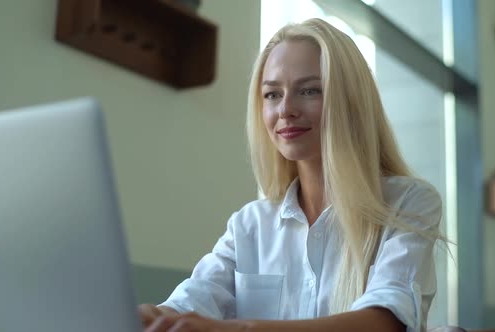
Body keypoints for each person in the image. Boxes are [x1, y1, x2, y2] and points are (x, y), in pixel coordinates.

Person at [139, 18, 443, 332]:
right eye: (272, 94)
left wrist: (238, 329)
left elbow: (382, 322)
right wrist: (149, 315)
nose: (285, 109)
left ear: (350, 101)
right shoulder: (249, 225)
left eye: (309, 90)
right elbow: (191, 302)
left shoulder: (409, 203)